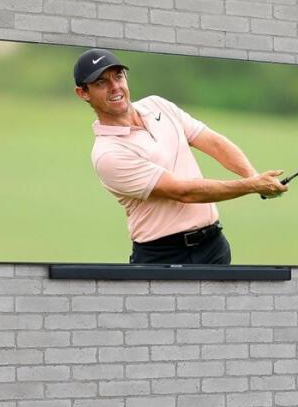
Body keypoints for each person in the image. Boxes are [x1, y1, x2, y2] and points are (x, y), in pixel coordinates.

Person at [71, 46, 283, 266]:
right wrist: (252, 185)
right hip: (164, 256)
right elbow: (184, 192)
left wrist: (255, 178)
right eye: (101, 83)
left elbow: (213, 143)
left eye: (118, 76)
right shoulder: (108, 154)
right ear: (83, 93)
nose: (115, 87)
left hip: (214, 247)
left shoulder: (157, 105)